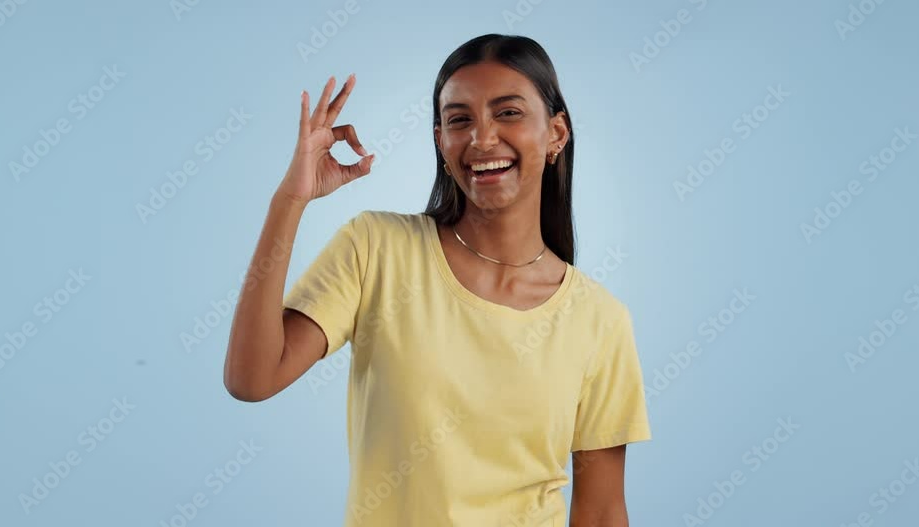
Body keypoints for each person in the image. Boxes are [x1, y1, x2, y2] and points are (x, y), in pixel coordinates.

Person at [224, 34, 652, 526]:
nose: (482, 138)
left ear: (556, 133)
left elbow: (599, 512)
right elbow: (251, 379)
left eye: (508, 112)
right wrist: (289, 200)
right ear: (439, 140)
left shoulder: (600, 320)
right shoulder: (376, 248)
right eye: (459, 119)